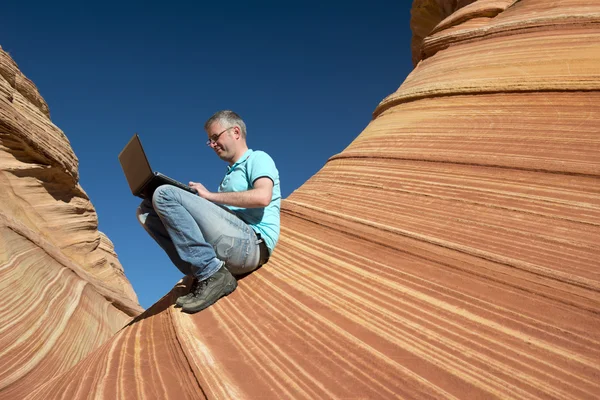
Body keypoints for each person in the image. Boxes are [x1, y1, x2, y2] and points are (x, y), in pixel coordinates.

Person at [136, 110, 281, 313]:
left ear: (236, 132)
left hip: (253, 246)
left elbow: (262, 197)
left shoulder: (258, 159)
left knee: (165, 194)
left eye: (215, 137)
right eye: (209, 141)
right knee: (145, 210)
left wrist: (210, 196)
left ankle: (213, 274)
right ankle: (201, 270)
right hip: (232, 243)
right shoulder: (227, 178)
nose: (212, 145)